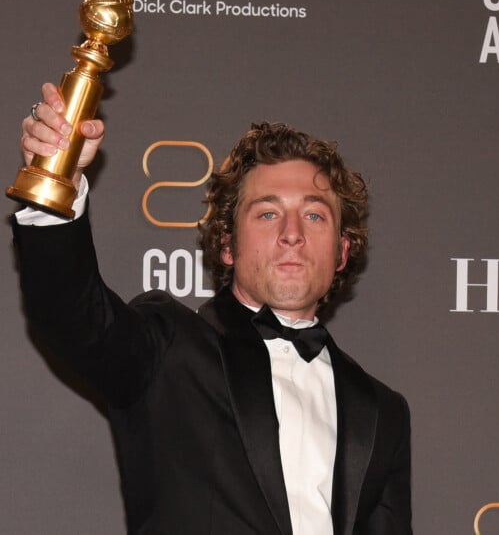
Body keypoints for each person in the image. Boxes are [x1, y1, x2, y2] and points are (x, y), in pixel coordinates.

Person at [12, 83, 412, 535]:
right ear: (227, 245)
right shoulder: (168, 348)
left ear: (342, 252)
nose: (292, 233)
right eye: (267, 213)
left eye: (315, 215)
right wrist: (54, 182)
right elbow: (73, 315)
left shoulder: (382, 410)